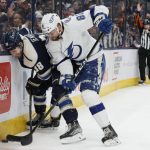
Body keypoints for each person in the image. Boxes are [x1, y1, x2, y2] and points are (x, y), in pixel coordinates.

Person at [41, 5, 121, 146]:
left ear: (59, 25)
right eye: (48, 34)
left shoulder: (73, 22)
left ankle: (109, 131)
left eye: (52, 31)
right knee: (60, 89)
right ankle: (74, 127)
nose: (51, 36)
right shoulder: (51, 43)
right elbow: (63, 62)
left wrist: (100, 20)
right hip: (77, 63)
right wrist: (67, 77)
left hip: (94, 58)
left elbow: (99, 9)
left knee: (88, 94)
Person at [1, 31, 85, 143]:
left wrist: (34, 82)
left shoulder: (32, 55)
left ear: (20, 44)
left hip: (65, 63)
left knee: (57, 91)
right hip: (54, 61)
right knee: (38, 88)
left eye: (14, 50)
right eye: (9, 51)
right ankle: (45, 118)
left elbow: (46, 75)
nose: (13, 54)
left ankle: (72, 125)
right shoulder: (22, 39)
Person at [138, 18, 150, 84]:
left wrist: (148, 33)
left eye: (147, 25)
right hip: (142, 49)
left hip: (149, 50)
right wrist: (138, 12)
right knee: (142, 65)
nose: (146, 26)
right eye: (145, 25)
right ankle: (142, 79)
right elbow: (138, 22)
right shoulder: (141, 30)